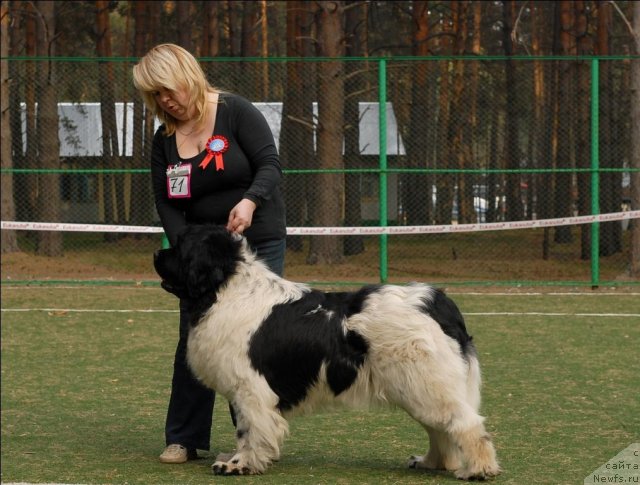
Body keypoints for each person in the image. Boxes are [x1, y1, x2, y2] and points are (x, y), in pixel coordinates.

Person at [132, 43, 286, 464]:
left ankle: (252, 442)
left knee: (250, 345)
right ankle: (184, 437)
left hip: (256, 242)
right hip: (201, 257)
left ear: (188, 76)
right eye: (155, 95)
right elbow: (166, 199)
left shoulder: (237, 112)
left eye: (169, 89)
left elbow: (269, 164)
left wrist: (251, 201)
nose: (165, 100)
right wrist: (186, 247)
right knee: (196, 340)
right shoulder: (163, 139)